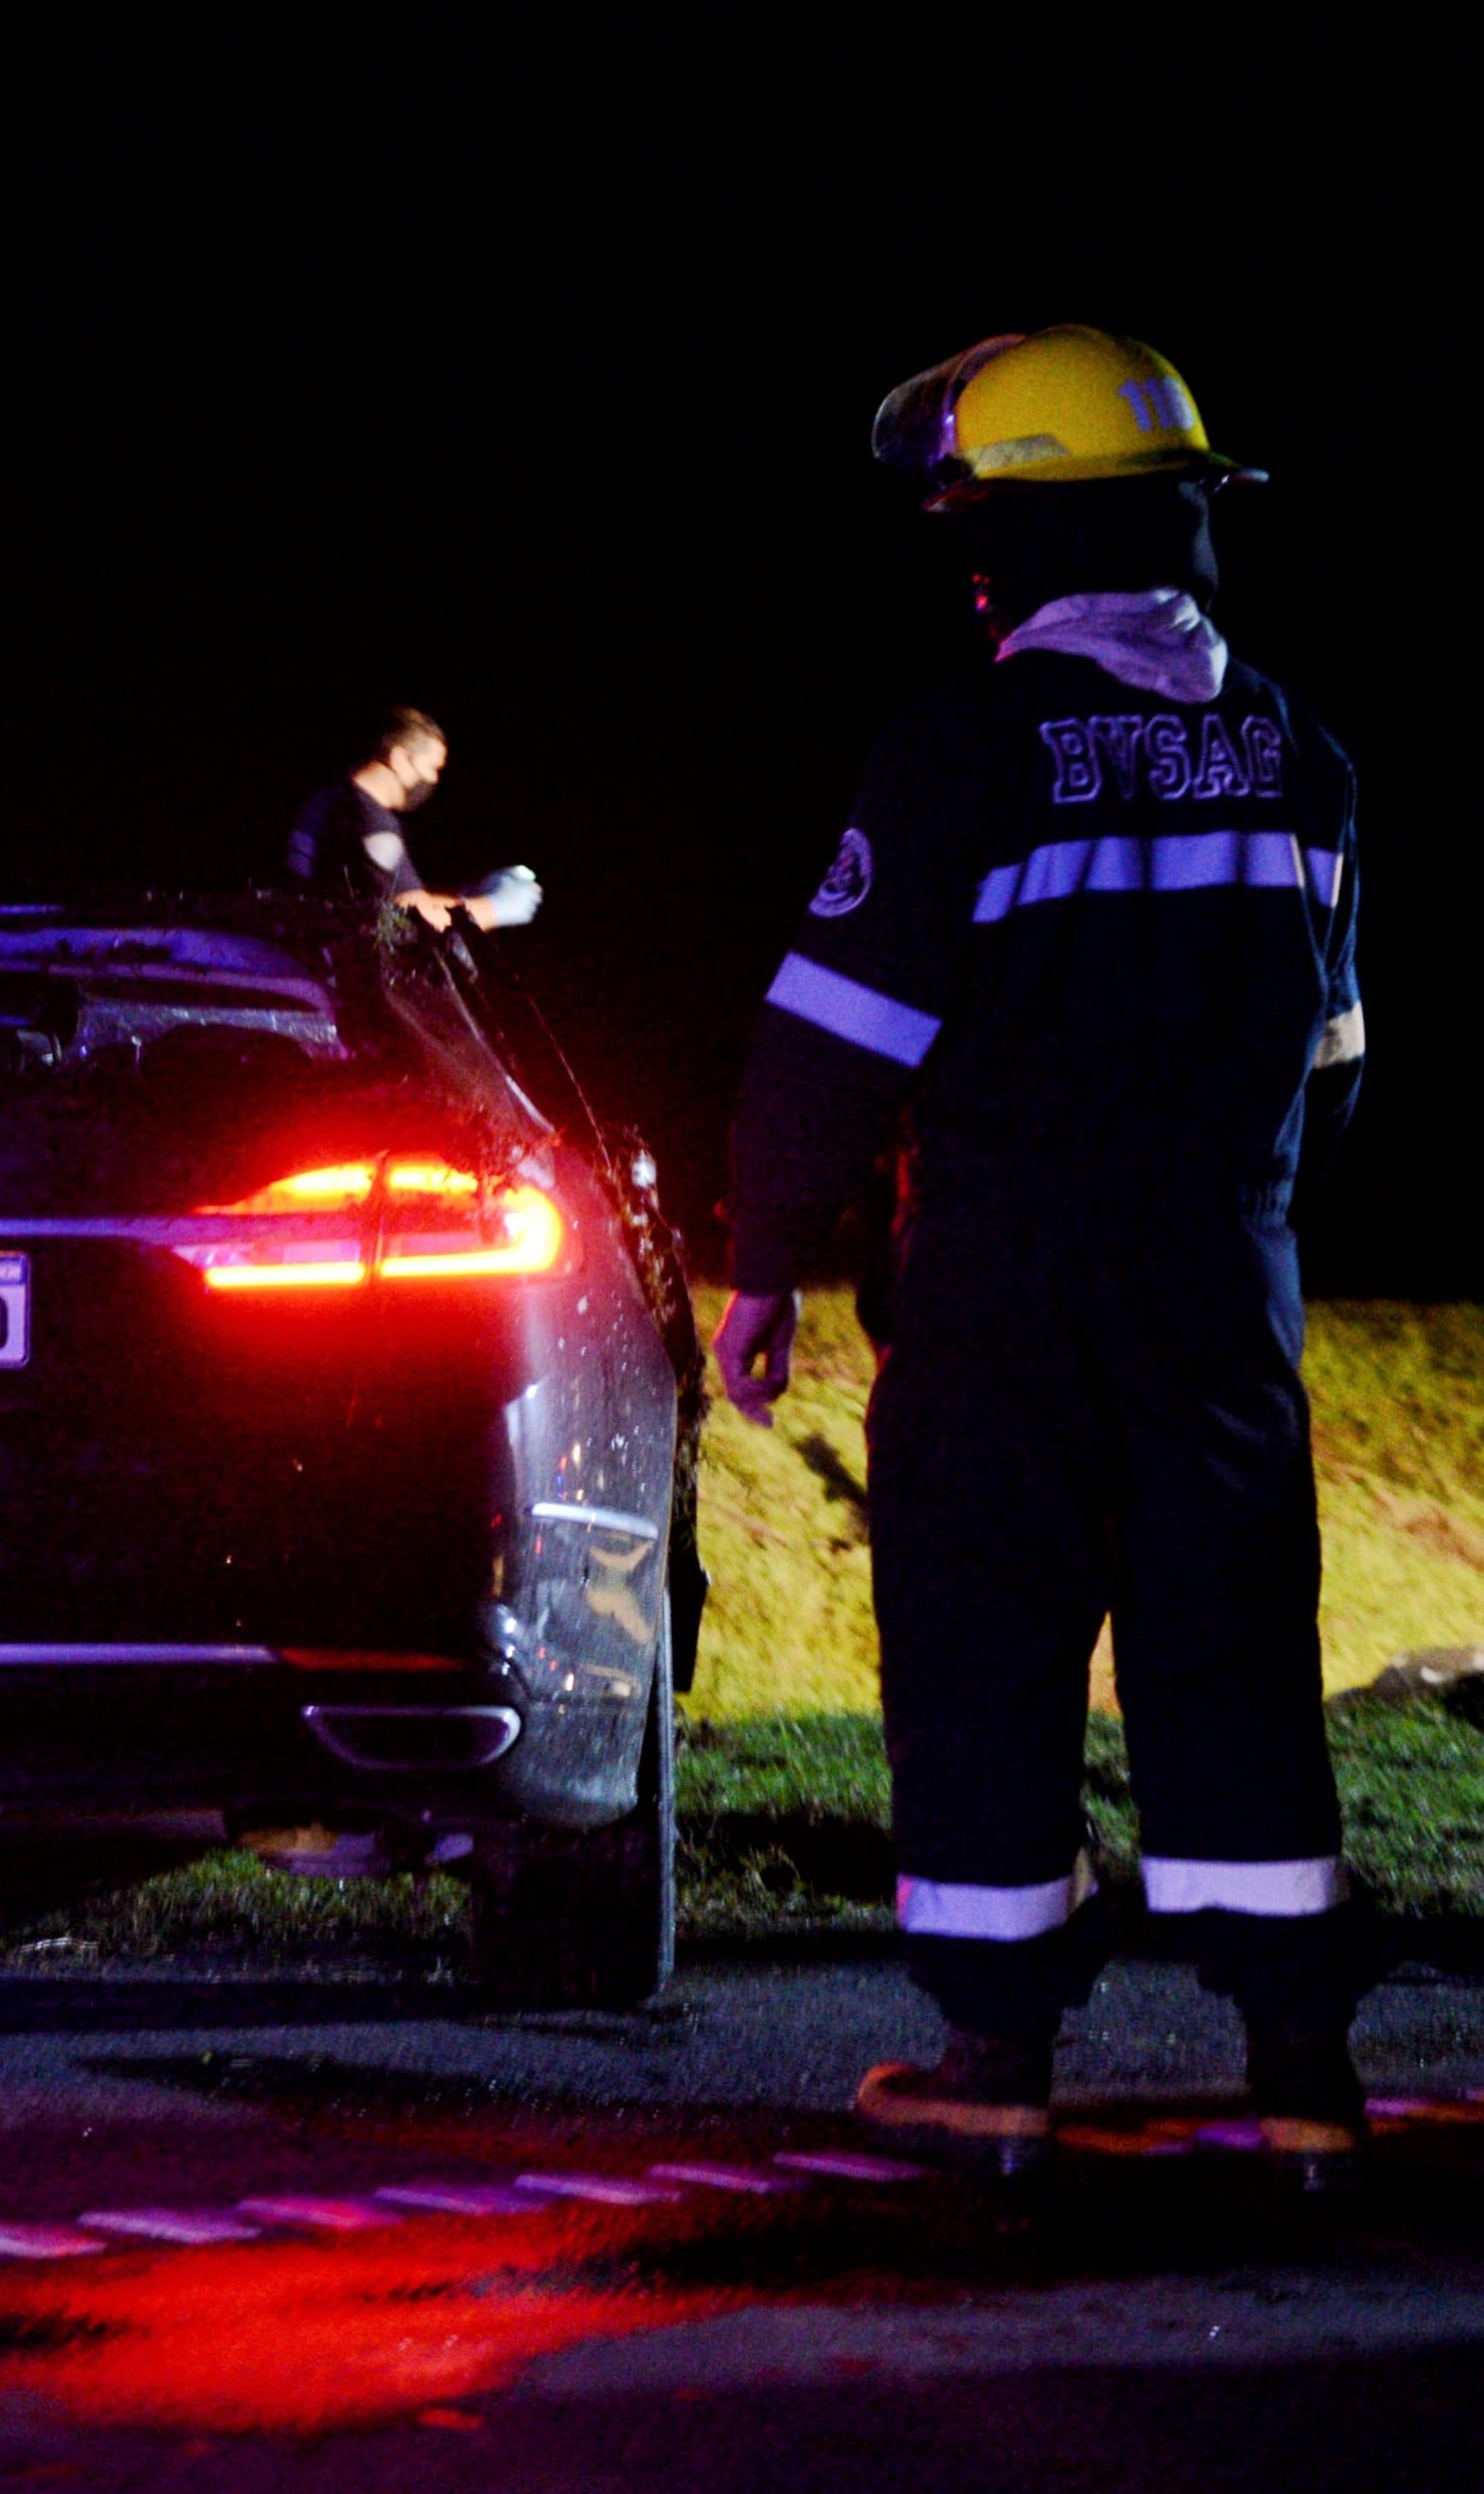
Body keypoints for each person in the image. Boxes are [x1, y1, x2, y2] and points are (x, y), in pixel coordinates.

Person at [715, 326, 1371, 2188]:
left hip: (1002, 1296)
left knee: (990, 1653)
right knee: (1234, 1653)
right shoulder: (1305, 760)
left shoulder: (962, 753)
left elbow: (830, 1046)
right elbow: (1334, 1076)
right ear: (1185, 525)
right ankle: (1307, 2081)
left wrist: (767, 1257)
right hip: (1219, 1301)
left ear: (1012, 537)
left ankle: (996, 2072)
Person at [281, 706, 540, 931]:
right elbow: (412, 916)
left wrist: (467, 895)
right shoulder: (372, 824)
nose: (434, 780)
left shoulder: (331, 797)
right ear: (400, 760)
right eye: (432, 768)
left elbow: (383, 899)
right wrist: (496, 907)